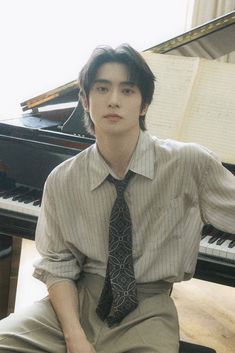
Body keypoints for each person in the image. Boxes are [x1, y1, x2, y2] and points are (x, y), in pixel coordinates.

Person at [0, 44, 234, 353]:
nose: (113, 100)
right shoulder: (63, 178)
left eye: (127, 90)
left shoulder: (190, 163)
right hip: (74, 303)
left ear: (144, 104)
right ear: (85, 99)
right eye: (102, 88)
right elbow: (57, 266)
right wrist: (75, 338)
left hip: (148, 309)